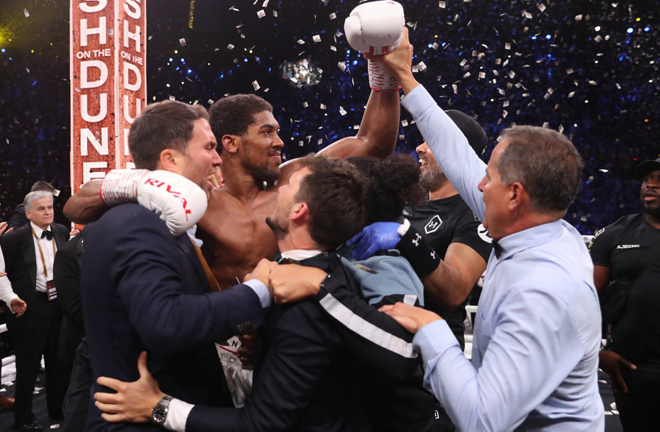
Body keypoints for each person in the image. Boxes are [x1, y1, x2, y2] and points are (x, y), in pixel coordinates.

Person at [370, 29, 603, 431]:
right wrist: (406, 79)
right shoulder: (538, 227)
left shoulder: (542, 291)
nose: (478, 185)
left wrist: (430, 328)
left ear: (515, 194)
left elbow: (483, 421)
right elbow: (458, 157)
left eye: (489, 178)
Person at [94, 156, 427, 432]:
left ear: (299, 211)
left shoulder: (306, 302)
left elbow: (262, 424)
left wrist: (157, 407)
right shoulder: (310, 273)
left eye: (290, 185)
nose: (280, 188)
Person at [79, 100, 274, 432]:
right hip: (139, 416)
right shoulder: (136, 223)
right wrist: (261, 290)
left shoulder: (157, 222)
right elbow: (166, 322)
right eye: (209, 147)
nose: (217, 159)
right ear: (170, 158)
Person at [349, 111, 493, 350]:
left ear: (457, 153)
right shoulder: (403, 195)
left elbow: (454, 293)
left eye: (432, 141)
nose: (419, 147)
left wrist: (407, 238)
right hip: (377, 332)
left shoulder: (474, 214)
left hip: (428, 351)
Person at [590, 157, 660, 431]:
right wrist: (597, 353)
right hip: (632, 369)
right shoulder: (615, 234)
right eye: (647, 179)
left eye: (659, 179)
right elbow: (586, 299)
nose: (650, 184)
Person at [1, 192, 70, 431]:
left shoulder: (60, 231)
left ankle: (57, 410)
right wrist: (11, 299)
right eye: (41, 209)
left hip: (57, 306)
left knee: (57, 362)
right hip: (29, 309)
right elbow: (2, 274)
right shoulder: (13, 239)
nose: (48, 212)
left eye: (50, 207)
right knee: (28, 366)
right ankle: (23, 418)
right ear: (28, 213)